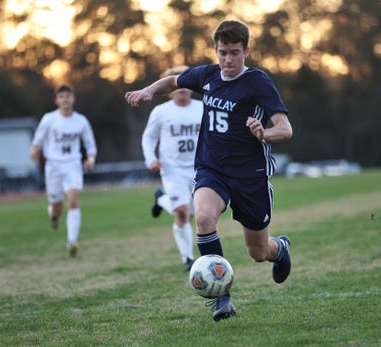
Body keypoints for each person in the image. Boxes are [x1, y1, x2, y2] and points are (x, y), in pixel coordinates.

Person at [125, 19, 293, 322]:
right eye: (222, 52)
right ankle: (221, 298)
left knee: (257, 252)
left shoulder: (257, 82)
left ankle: (279, 249)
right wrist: (149, 90)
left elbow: (285, 128)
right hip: (211, 169)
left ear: (246, 51)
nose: (227, 60)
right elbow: (174, 81)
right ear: (216, 50)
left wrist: (264, 133)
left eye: (234, 53)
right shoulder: (208, 75)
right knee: (202, 218)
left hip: (250, 175)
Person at [141, 65, 203, 272]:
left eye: (186, 82)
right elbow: (149, 138)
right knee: (182, 212)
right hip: (172, 169)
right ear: (169, 88)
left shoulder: (203, 107)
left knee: (194, 214)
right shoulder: (161, 112)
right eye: (177, 83)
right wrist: (150, 159)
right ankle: (187, 258)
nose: (182, 87)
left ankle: (160, 199)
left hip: (200, 168)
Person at [30, 83, 97, 257]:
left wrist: (90, 160)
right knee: (57, 207)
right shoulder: (49, 119)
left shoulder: (81, 121)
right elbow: (38, 139)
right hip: (53, 166)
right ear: (56, 100)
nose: (65, 98)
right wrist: (34, 151)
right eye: (61, 96)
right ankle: (53, 214)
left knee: (73, 200)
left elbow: (90, 145)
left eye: (68, 95)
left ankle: (72, 242)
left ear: (73, 99)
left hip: (73, 164)